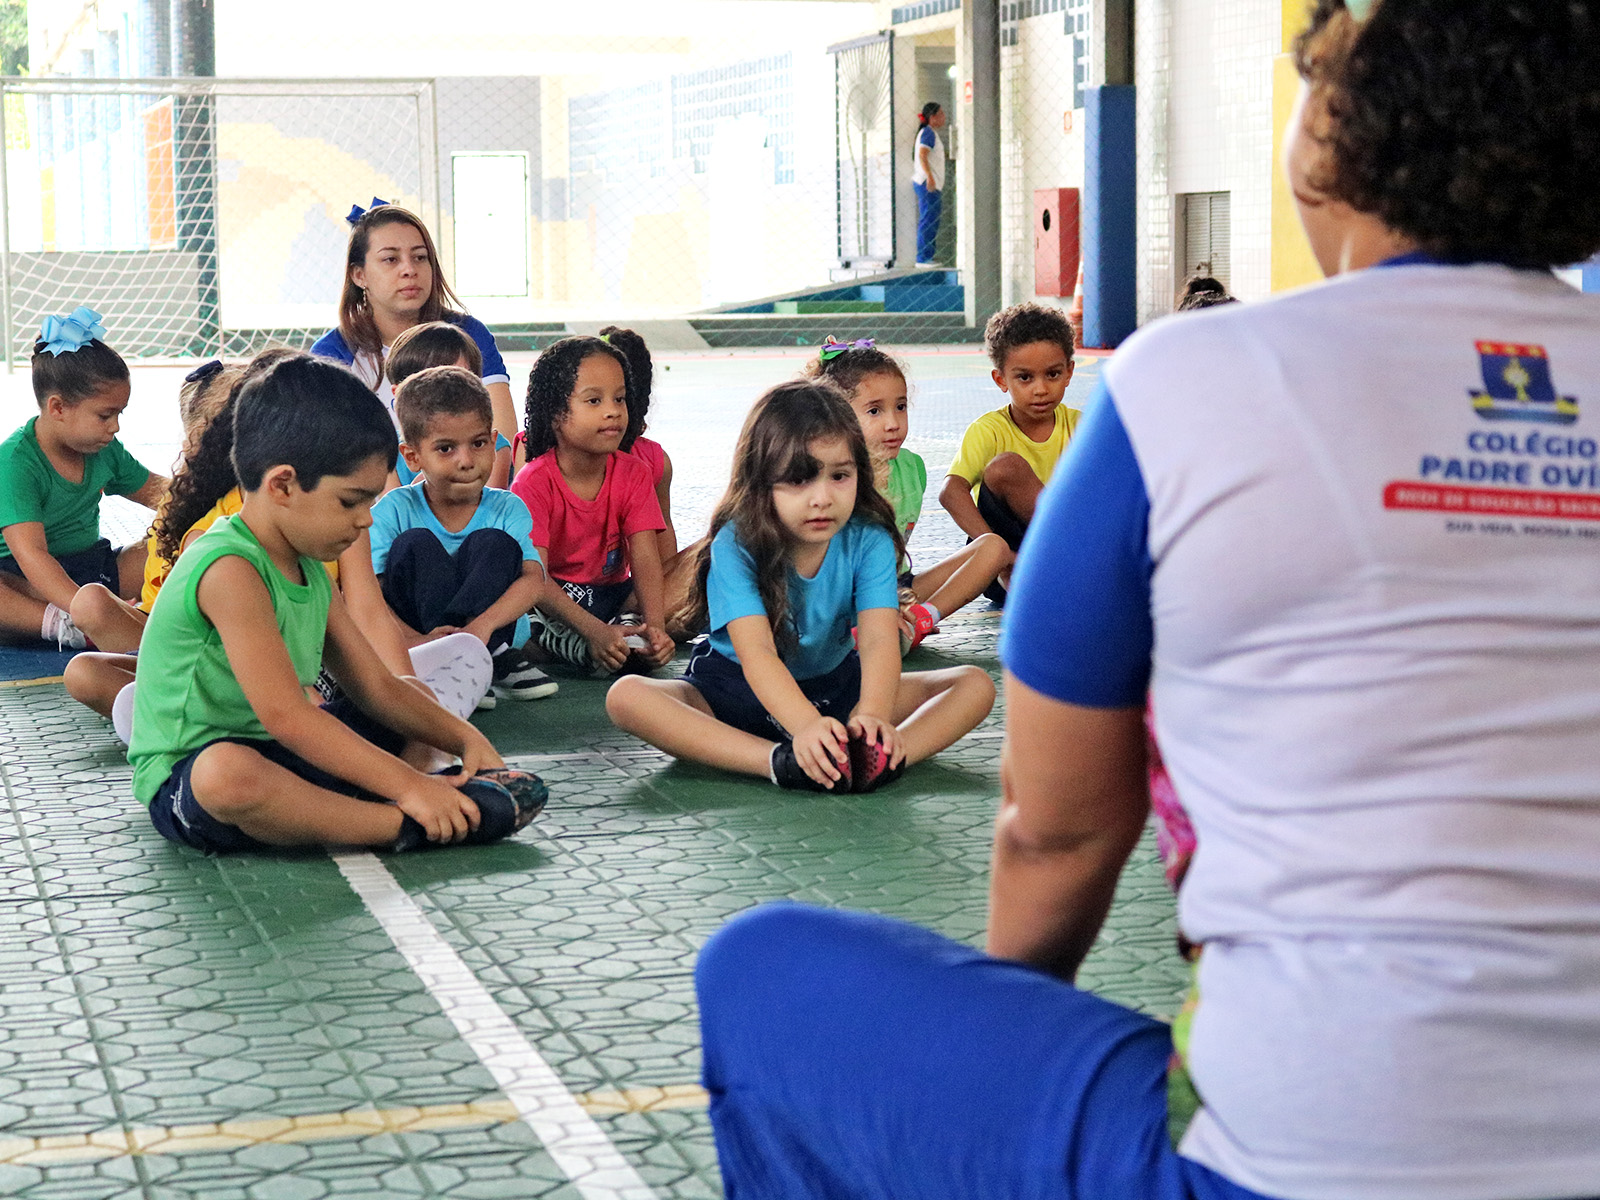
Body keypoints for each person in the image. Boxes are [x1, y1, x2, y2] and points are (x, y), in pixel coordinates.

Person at [692, 2, 1600, 1198]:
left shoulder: (1190, 380)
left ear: (1326, 142)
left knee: (760, 973)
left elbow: (1061, 828)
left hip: (1291, 1167)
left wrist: (1004, 1048)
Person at [129, 354, 545, 854]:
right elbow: (288, 717)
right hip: (193, 778)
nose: (367, 520)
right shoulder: (228, 568)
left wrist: (464, 739)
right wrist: (410, 788)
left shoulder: (307, 564)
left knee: (413, 696)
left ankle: (431, 794)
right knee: (227, 773)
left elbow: (377, 686)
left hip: (282, 754)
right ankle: (405, 824)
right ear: (283, 485)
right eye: (351, 501)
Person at [606, 380, 994, 792]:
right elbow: (756, 653)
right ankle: (778, 762)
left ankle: (881, 760)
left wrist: (872, 716)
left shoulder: (870, 537)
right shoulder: (736, 543)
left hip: (836, 690)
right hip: (734, 694)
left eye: (839, 476)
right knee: (627, 696)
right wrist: (806, 726)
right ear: (760, 483)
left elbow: (879, 640)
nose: (821, 498)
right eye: (798, 480)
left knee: (974, 685)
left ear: (860, 473)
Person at [807, 336, 1011, 652]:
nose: (893, 423)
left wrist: (899, 604)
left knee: (993, 547)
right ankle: (870, 631)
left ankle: (921, 620)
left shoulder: (911, 468)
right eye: (874, 411)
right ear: (836, 417)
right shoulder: (830, 479)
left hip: (897, 588)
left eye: (900, 407)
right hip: (840, 597)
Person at [370, 366, 556, 703]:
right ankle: (450, 662)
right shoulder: (393, 510)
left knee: (495, 543)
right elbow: (370, 595)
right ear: (412, 456)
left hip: (489, 633)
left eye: (478, 443)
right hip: (424, 641)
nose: (467, 461)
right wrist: (412, 640)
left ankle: (491, 655)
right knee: (414, 543)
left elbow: (533, 581)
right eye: (446, 449)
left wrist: (479, 630)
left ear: (493, 441)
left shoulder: (508, 508)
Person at [312, 200, 518, 489]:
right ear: (359, 275)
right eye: (390, 259)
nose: (409, 269)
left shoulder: (467, 334)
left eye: (420, 257)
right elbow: (330, 457)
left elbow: (502, 437)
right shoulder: (333, 354)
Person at [0, 308, 167, 649]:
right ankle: (65, 627)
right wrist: (80, 610)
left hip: (93, 573)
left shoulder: (104, 449)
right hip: (25, 583)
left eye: (119, 414)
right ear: (58, 408)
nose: (115, 426)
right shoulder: (15, 463)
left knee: (169, 542)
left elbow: (160, 493)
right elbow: (32, 556)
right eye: (105, 415)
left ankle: (109, 619)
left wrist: (215, 504)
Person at [511, 335, 675, 675]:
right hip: (553, 598)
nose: (612, 411)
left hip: (613, 596)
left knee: (706, 559)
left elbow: (645, 559)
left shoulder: (634, 473)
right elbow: (536, 577)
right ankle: (573, 642)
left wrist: (656, 629)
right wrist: (594, 631)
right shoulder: (533, 481)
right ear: (556, 414)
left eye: (619, 398)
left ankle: (625, 632)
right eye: (594, 400)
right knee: (514, 608)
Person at [938, 301, 1079, 602]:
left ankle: (1074, 566)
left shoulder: (1081, 426)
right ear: (1001, 379)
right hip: (1004, 565)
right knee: (1006, 467)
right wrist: (996, 551)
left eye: (1052, 374)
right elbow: (951, 492)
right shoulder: (989, 430)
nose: (1040, 389)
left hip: (1067, 551)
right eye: (1025, 377)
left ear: (1069, 372)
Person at [385, 321, 514, 488]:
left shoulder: (493, 446)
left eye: (461, 381)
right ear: (399, 394)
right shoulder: (386, 452)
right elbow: (393, 504)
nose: (450, 394)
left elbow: (489, 501)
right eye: (434, 385)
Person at [911, 102, 947, 268]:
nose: (944, 117)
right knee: (928, 220)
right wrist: (930, 177)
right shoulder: (928, 133)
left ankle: (927, 256)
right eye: (941, 114)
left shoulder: (929, 133)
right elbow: (922, 155)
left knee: (931, 219)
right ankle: (923, 258)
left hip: (930, 183)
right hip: (927, 184)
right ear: (932, 117)